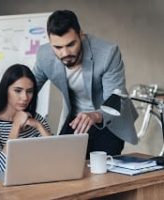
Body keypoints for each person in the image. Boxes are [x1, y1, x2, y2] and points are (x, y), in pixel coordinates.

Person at [33, 10, 138, 158]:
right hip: (75, 119)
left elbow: (116, 97)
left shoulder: (107, 53)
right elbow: (30, 88)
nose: (65, 53)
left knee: (100, 172)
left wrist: (95, 115)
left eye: (71, 44)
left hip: (108, 120)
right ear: (50, 42)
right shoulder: (44, 55)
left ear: (81, 35)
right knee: (62, 162)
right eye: (58, 47)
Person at [0, 64, 51, 172]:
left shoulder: (36, 119)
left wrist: (38, 126)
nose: (25, 97)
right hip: (4, 185)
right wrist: (16, 126)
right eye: (18, 91)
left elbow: (55, 156)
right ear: (5, 90)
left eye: (29, 91)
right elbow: (3, 167)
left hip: (35, 178)